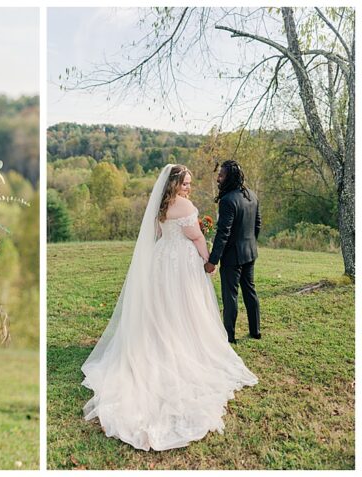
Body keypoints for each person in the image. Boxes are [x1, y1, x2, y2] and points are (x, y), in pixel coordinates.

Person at [81, 164, 258, 451]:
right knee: (185, 305)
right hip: (183, 262)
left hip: (163, 260)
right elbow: (196, 236)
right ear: (175, 183)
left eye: (189, 183)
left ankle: (163, 335)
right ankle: (181, 342)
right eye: (185, 183)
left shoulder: (160, 206)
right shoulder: (185, 205)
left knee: (165, 304)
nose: (189, 187)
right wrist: (208, 262)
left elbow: (159, 235)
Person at [204, 160, 262, 343]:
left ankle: (229, 337)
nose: (218, 178)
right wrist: (250, 243)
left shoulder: (227, 200)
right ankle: (255, 331)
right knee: (250, 291)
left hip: (232, 257)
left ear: (229, 177)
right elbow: (257, 225)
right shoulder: (252, 195)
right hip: (250, 252)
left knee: (230, 296)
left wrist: (212, 261)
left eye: (221, 175)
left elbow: (223, 234)